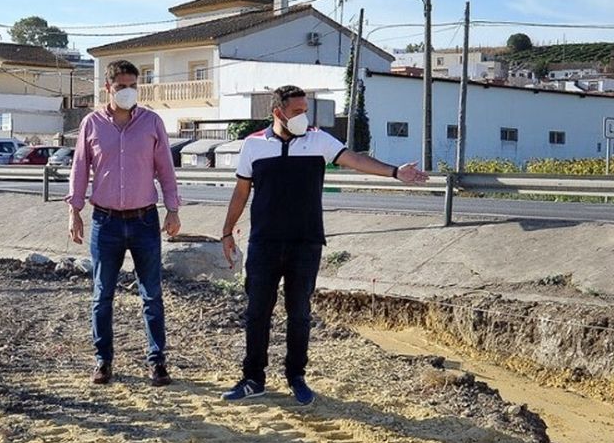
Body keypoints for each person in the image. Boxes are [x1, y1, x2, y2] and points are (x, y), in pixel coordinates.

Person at [219, 85, 427, 404]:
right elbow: (241, 192)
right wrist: (227, 231)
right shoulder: (253, 145)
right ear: (278, 113)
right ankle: (253, 378)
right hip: (264, 243)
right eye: (297, 112)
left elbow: (354, 160)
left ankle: (296, 377)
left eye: (306, 111)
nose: (304, 117)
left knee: (299, 312)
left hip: (306, 243)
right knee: (257, 312)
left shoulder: (318, 141)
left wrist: (396, 172)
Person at [66, 60, 182, 387]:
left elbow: (165, 170)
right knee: (102, 295)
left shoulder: (151, 122)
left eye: (133, 85)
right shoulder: (91, 124)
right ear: (108, 88)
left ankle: (157, 362)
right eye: (121, 86)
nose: (128, 91)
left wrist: (173, 209)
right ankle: (103, 361)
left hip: (145, 219)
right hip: (106, 222)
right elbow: (79, 170)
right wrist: (74, 211)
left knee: (152, 294)